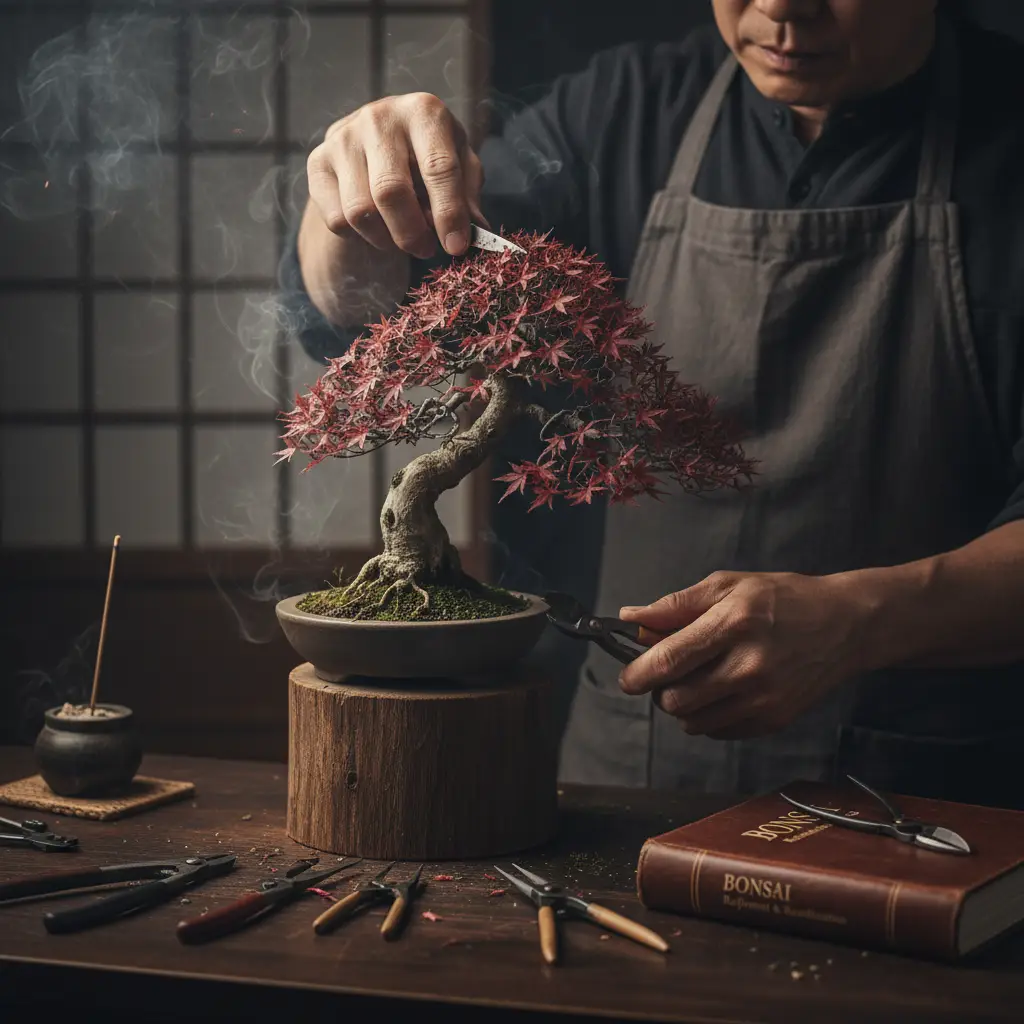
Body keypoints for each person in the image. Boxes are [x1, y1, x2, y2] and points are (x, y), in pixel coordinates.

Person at [282, 0, 1024, 807]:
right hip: (631, 766)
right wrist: (351, 210)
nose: (780, 7)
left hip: (927, 795)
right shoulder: (625, 108)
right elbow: (365, 308)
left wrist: (866, 619)